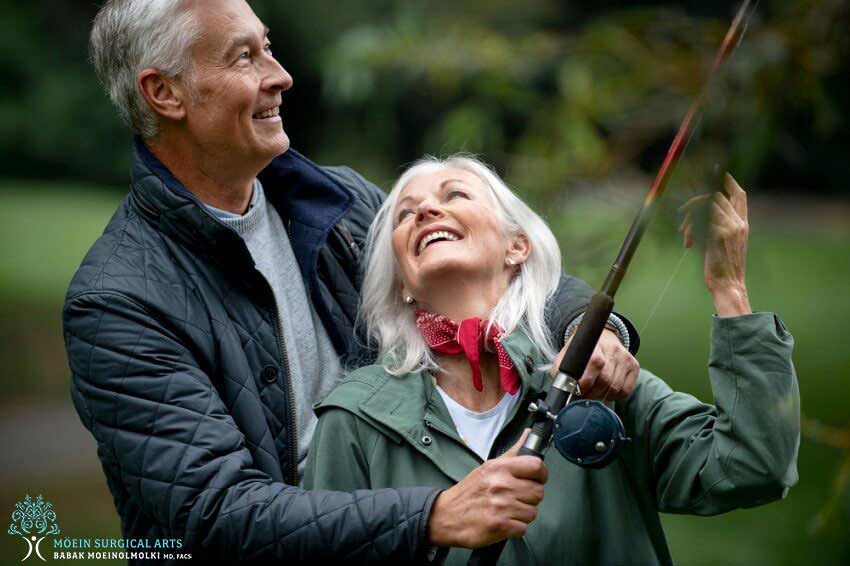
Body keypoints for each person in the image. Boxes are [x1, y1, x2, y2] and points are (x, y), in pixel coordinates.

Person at [63, 0, 642, 563]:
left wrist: (592, 327)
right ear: (164, 93)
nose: (280, 75)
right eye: (244, 57)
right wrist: (432, 516)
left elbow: (497, 267)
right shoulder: (116, 303)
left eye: (268, 47)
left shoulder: (339, 203)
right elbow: (216, 514)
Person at [303, 155, 801, 564]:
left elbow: (752, 467)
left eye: (454, 195)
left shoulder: (595, 371)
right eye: (406, 214)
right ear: (402, 284)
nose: (427, 212)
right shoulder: (352, 418)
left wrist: (730, 291)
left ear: (516, 247)